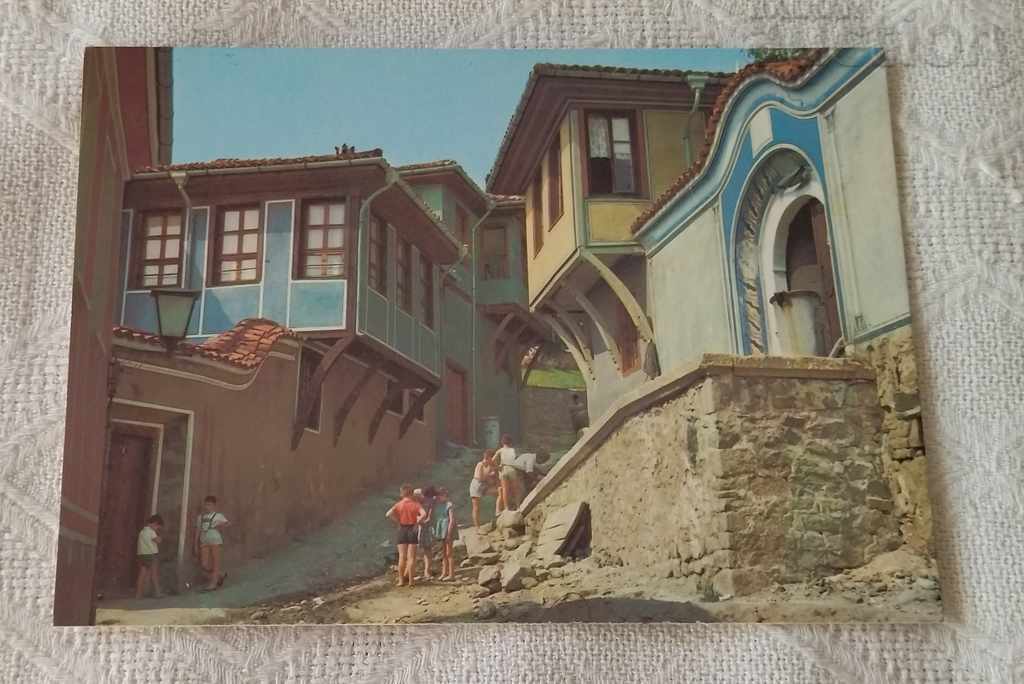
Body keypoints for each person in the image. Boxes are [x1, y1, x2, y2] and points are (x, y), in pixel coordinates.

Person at [385, 484, 426, 587]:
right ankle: (411, 581)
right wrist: (417, 522)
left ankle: (401, 581)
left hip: (402, 529)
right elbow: (424, 514)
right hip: (412, 529)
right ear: (411, 493)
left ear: (402, 493)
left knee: (402, 557)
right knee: (411, 557)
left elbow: (388, 514)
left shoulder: (399, 504)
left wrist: (398, 521)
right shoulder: (415, 504)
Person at [193, 495, 230, 592]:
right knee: (204, 564)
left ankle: (213, 584)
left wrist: (220, 525)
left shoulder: (218, 516)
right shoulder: (200, 517)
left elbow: (227, 524)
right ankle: (220, 575)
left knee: (216, 562)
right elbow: (197, 530)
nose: (207, 507)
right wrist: (195, 544)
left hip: (215, 540)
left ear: (214, 505)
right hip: (204, 541)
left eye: (209, 505)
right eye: (206, 505)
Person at [135, 514, 164, 599]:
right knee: (154, 574)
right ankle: (158, 593)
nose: (157, 529)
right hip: (151, 555)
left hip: (142, 555)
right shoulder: (151, 532)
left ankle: (138, 594)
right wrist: (160, 536)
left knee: (142, 574)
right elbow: (158, 541)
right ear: (155, 523)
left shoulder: (142, 532)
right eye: (158, 527)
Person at [431, 487, 457, 581]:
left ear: (445, 495)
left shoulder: (449, 505)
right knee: (444, 553)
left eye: (441, 495)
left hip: (447, 529)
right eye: (438, 496)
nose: (439, 497)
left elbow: (452, 519)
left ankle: (451, 574)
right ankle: (444, 573)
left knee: (449, 553)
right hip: (441, 529)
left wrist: (449, 533)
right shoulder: (438, 505)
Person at [470, 450, 497, 528]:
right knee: (476, 507)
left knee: (498, 492)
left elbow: (491, 480)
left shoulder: (489, 465)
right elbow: (480, 478)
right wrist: (489, 475)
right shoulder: (480, 464)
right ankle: (477, 527)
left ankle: (498, 513)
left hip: (483, 486)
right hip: (476, 486)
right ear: (488, 458)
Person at [416, 486, 437, 580]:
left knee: (427, 550)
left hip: (424, 527)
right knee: (420, 551)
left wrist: (422, 522)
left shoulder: (431, 501)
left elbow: (430, 516)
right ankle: (423, 571)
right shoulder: (419, 498)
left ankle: (426, 571)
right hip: (418, 527)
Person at [495, 434, 521, 511]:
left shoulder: (500, 450)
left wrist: (498, 466)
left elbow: (492, 460)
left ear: (502, 442)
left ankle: (507, 508)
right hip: (511, 469)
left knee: (505, 490)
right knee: (515, 489)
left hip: (503, 469)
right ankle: (518, 506)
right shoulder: (513, 450)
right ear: (510, 442)